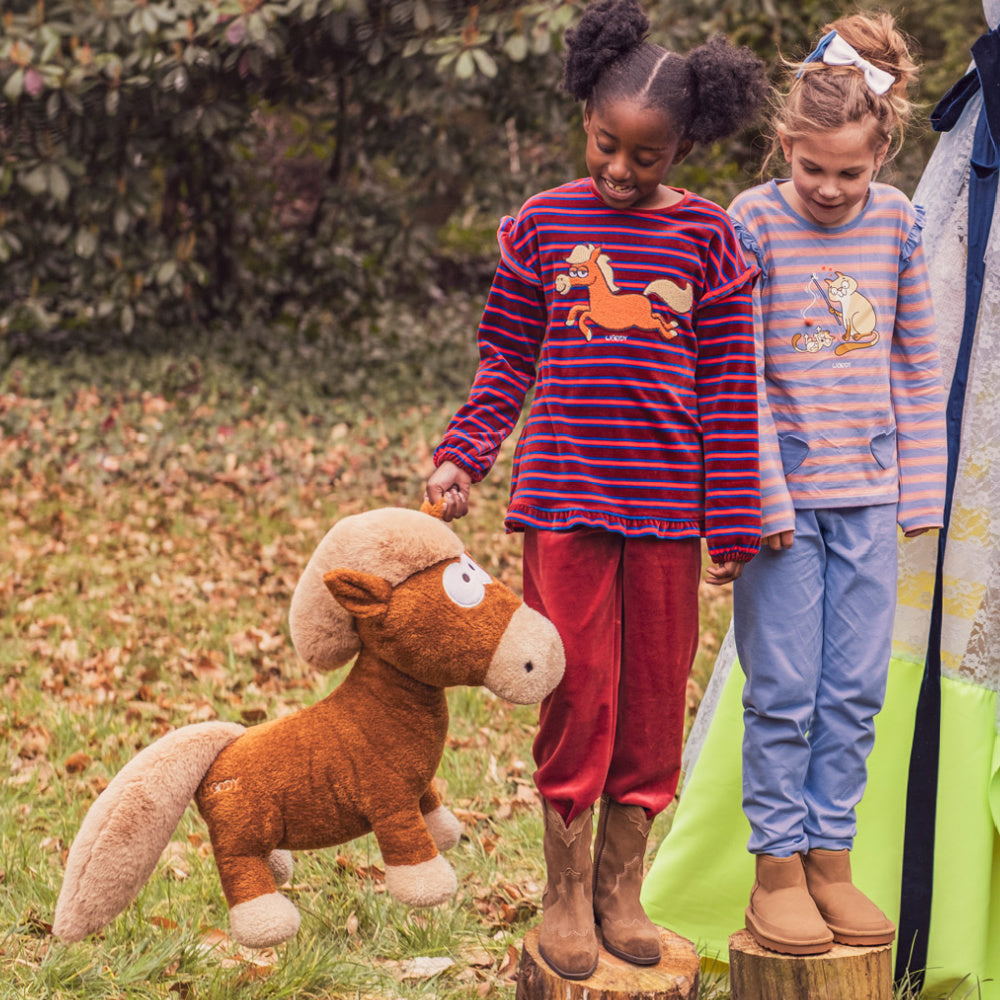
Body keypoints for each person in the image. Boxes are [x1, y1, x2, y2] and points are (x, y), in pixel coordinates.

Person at [424, 0, 766, 981]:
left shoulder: (708, 240)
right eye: (605, 146)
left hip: (668, 512)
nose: (619, 170)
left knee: (654, 700)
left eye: (645, 158)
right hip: (564, 504)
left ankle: (623, 884)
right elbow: (505, 360)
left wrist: (733, 518)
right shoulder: (541, 224)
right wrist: (464, 453)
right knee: (577, 692)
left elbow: (729, 388)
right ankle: (565, 887)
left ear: (684, 147)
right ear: (584, 118)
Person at [643, 12, 948, 960]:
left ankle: (829, 856)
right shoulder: (753, 220)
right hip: (783, 508)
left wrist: (922, 489)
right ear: (785, 147)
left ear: (882, 151)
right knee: (783, 690)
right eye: (812, 167)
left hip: (869, 495)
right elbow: (733, 372)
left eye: (849, 172)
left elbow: (915, 359)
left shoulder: (898, 221)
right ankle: (775, 864)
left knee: (854, 688)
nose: (829, 187)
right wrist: (758, 497)